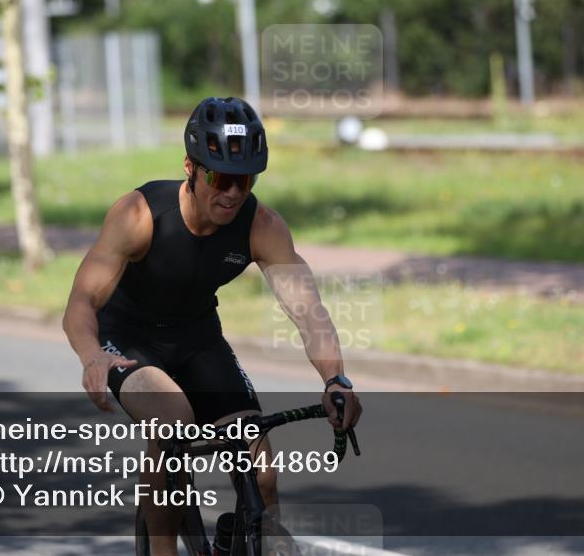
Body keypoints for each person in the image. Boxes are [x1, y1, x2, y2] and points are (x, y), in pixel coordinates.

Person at [62, 96, 362, 556]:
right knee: (172, 419)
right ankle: (161, 548)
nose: (232, 193)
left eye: (244, 179)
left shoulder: (261, 225)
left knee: (258, 462)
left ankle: (265, 545)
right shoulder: (139, 216)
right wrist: (90, 356)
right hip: (126, 339)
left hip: (198, 338)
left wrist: (335, 378)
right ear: (190, 166)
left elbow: (308, 311)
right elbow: (81, 302)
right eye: (219, 177)